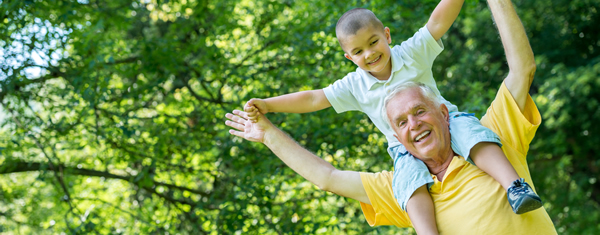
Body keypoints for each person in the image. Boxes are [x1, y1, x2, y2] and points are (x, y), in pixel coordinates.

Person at [225, 0, 557, 233]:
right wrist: (268, 111)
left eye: (419, 112)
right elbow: (314, 107)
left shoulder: (413, 55)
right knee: (411, 184)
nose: (369, 54)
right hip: (404, 156)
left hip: (456, 125)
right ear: (348, 56)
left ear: (387, 35)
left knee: (475, 137)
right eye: (358, 51)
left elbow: (441, 20)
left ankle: (514, 186)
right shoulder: (354, 86)